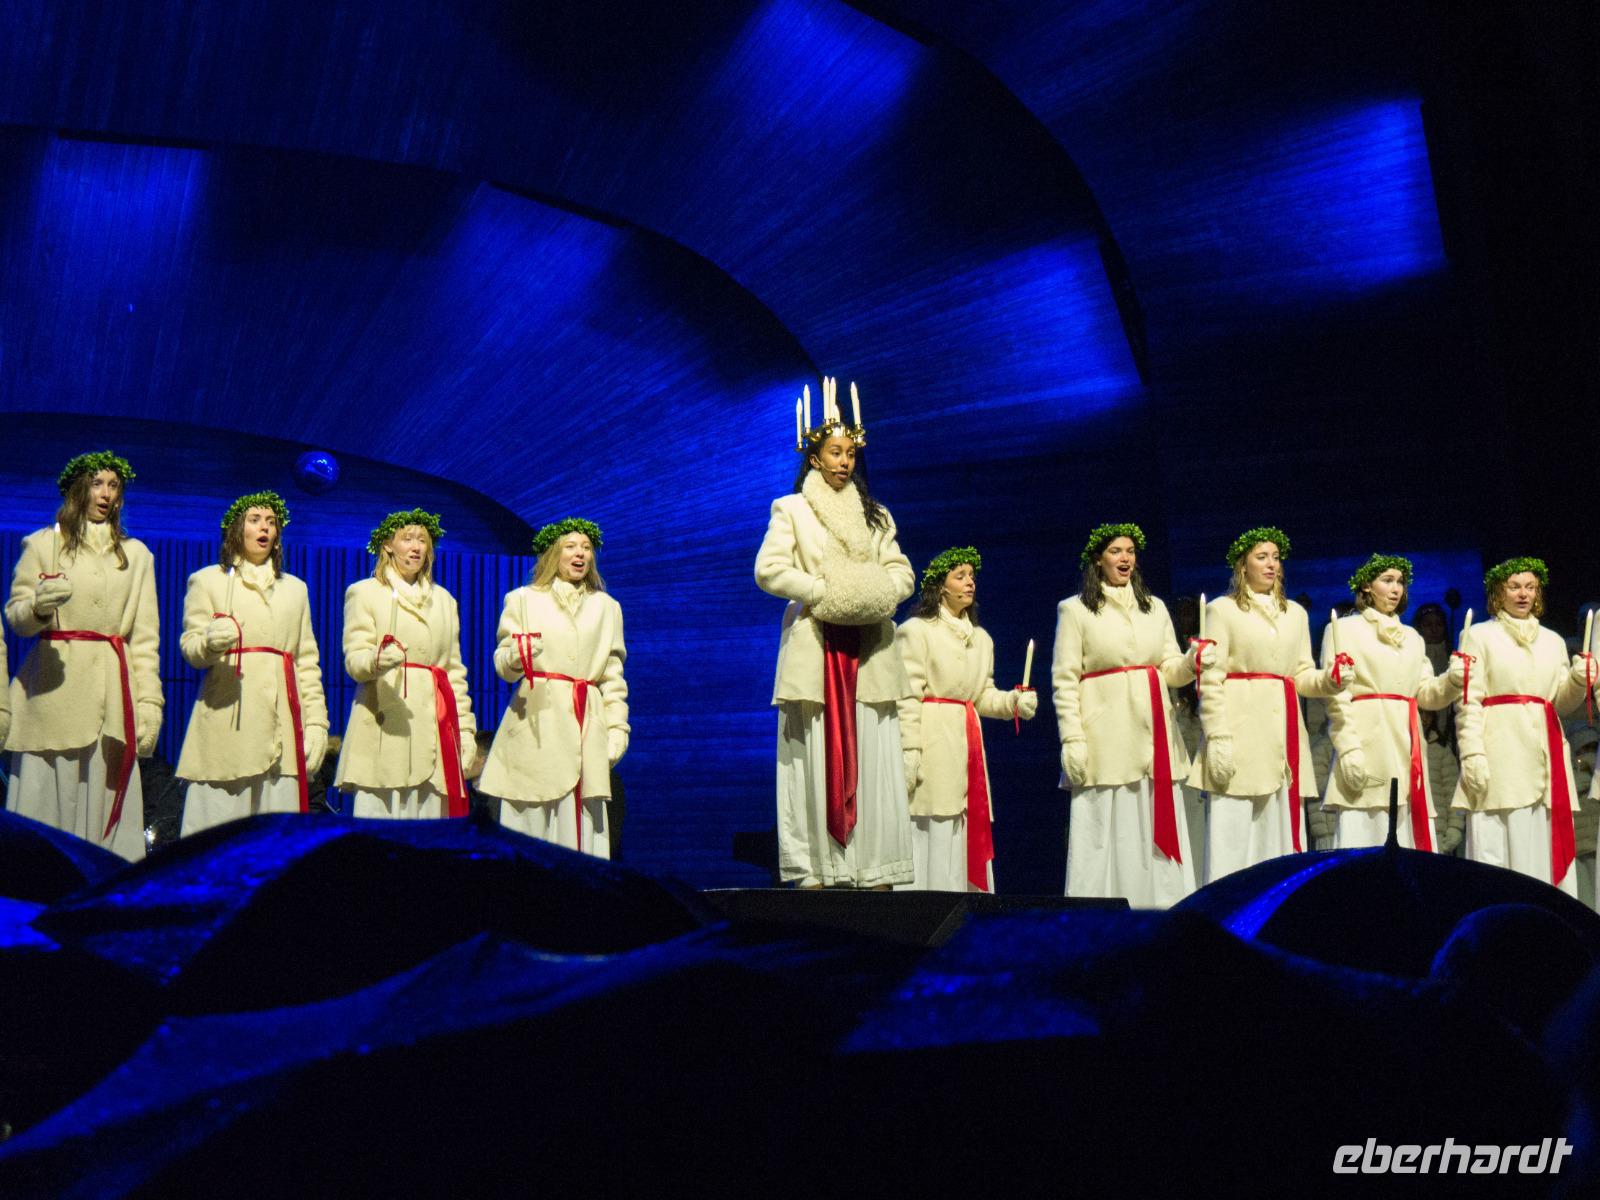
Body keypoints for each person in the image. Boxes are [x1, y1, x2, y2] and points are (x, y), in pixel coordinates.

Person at [755, 378, 915, 889]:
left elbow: (902, 573)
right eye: (834, 452)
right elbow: (769, 569)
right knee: (815, 753)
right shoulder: (793, 509)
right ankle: (816, 868)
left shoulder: (877, 515)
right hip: (818, 642)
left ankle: (873, 865)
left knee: (871, 751)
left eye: (850, 453)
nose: (844, 462)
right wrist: (822, 590)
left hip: (868, 645)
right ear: (816, 456)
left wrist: (879, 592)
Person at [5, 451, 161, 860]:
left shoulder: (138, 556)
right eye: (97, 484)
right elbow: (17, 618)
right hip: (51, 691)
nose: (106, 494)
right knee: (44, 806)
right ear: (78, 490)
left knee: (105, 803)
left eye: (114, 485)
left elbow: (144, 640)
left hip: (111, 691)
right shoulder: (42, 544)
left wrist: (148, 703)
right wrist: (39, 605)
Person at [1188, 527, 1350, 881]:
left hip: (1280, 737)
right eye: (1262, 557)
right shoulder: (1223, 610)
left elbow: (1302, 674)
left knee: (1274, 839)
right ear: (1242, 565)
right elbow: (1210, 679)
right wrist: (1217, 738)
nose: (1271, 564)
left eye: (1276, 558)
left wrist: (1330, 680)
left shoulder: (1295, 614)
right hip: (1240, 731)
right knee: (1232, 836)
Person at [1053, 523, 1200, 906]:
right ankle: (1098, 912)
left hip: (1153, 730)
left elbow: (1170, 667)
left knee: (1151, 817)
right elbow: (1064, 680)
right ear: (1099, 560)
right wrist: (1072, 739)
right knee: (1106, 825)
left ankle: (1159, 906)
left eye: (1130, 551)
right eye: (1116, 551)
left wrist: (1192, 661)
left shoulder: (1155, 608)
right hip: (1105, 735)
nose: (1125, 558)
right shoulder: (1076, 610)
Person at [176, 492, 329, 835]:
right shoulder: (208, 581)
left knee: (274, 837)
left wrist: (317, 722)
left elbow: (306, 661)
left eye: (271, 522)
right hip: (227, 720)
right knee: (218, 831)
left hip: (281, 726)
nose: (264, 528)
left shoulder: (295, 590)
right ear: (237, 529)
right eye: (255, 520)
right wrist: (211, 642)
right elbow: (191, 648)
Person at [479, 518, 628, 857]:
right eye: (571, 547)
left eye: (587, 548)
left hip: (584, 728)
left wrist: (617, 728)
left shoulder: (607, 607)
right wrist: (517, 655)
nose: (580, 555)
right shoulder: (523, 600)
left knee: (582, 838)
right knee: (530, 831)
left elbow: (613, 678)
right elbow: (503, 665)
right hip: (536, 727)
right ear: (552, 554)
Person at [896, 546, 1036, 891]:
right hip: (933, 737)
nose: (970, 582)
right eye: (960, 576)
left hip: (965, 742)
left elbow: (982, 695)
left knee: (960, 818)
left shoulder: (982, 639)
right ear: (941, 586)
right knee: (932, 817)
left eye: (972, 576)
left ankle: (961, 902)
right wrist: (909, 750)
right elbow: (907, 696)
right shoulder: (917, 631)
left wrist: (1013, 703)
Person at [1452, 557, 1591, 896]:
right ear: (1499, 592)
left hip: (1543, 756)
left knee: (1539, 845)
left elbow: (1561, 702)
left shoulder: (1552, 641)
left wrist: (1578, 680)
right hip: (1500, 751)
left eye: (1530, 587)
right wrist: (1472, 754)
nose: (1523, 594)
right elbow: (1468, 700)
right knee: (1496, 847)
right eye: (1514, 587)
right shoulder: (1479, 636)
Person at [334, 509, 475, 819]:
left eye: (422, 540)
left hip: (433, 725)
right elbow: (354, 659)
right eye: (407, 539)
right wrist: (376, 660)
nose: (415, 547)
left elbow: (454, 672)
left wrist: (464, 731)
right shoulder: (365, 592)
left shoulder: (444, 601)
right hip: (384, 720)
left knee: (427, 836)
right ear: (388, 545)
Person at [1320, 554, 1464, 850]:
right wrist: (1348, 750)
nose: (1396, 588)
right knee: (1364, 839)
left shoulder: (1413, 638)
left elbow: (1426, 693)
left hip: (1405, 747)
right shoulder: (1344, 630)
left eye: (1400, 581)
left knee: (1404, 838)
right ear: (1367, 586)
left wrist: (1453, 680)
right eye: (1387, 580)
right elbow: (1336, 698)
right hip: (1366, 742)